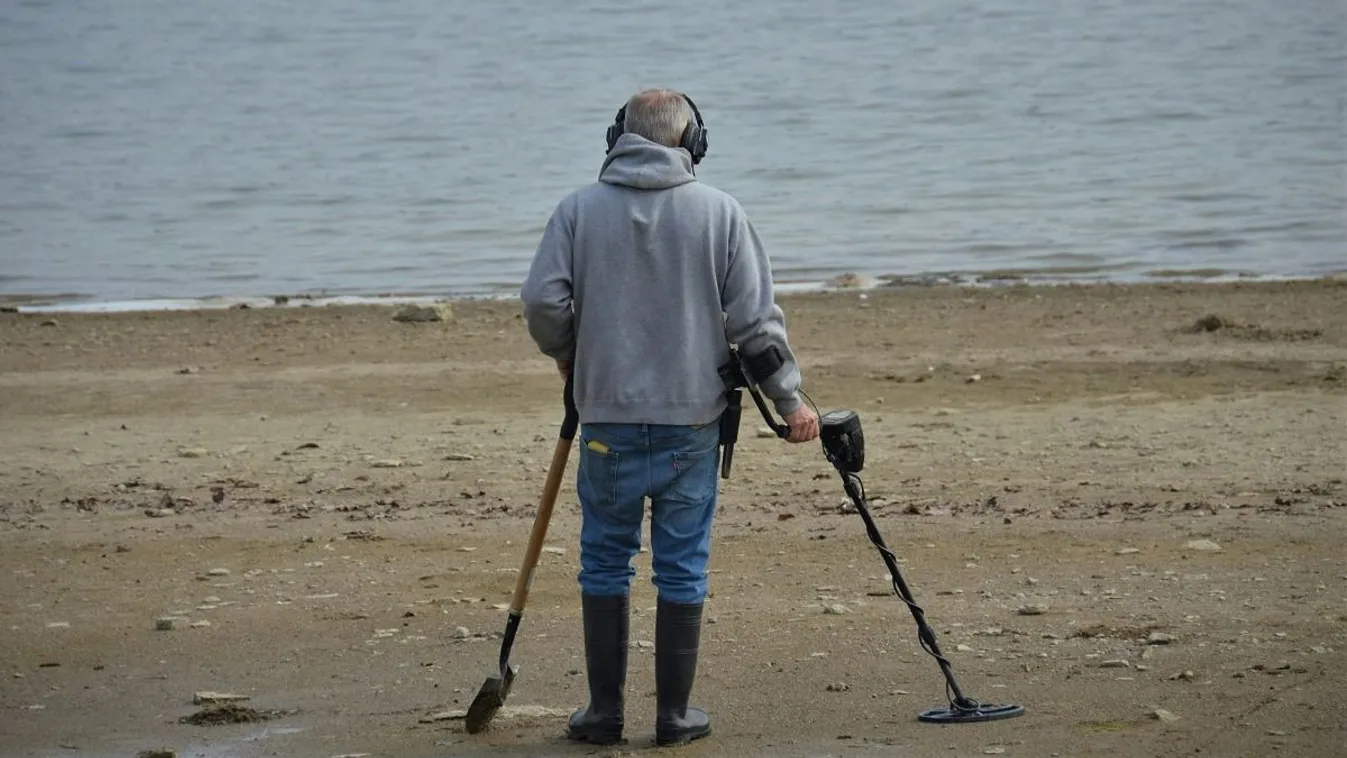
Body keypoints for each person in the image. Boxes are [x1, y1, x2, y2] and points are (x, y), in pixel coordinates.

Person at [520, 88, 819, 747]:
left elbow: (542, 303)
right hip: (691, 426)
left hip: (605, 422)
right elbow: (755, 328)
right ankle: (672, 717)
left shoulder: (577, 211)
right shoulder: (720, 212)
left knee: (604, 562)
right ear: (693, 143)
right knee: (681, 566)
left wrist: (570, 358)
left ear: (615, 137)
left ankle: (604, 715)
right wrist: (792, 403)